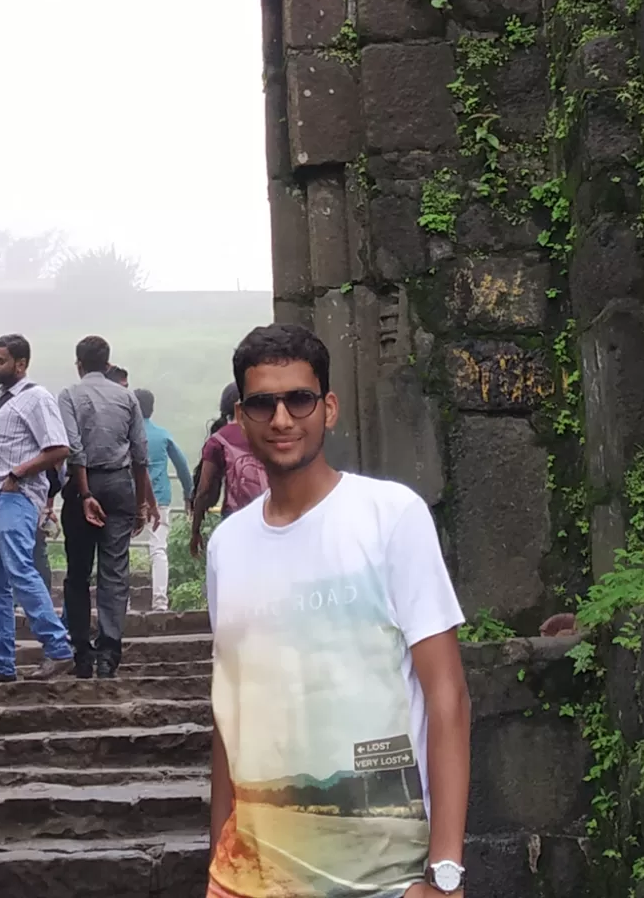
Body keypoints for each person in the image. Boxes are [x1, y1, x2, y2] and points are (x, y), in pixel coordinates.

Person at [205, 324, 471, 898]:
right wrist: (217, 859)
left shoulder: (389, 517)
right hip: (247, 877)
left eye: (298, 399)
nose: (281, 419)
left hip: (384, 876)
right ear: (241, 417)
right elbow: (230, 712)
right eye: (261, 403)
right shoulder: (227, 547)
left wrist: (445, 875)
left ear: (328, 409)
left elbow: (447, 695)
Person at [0, 334, 76, 686]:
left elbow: (58, 449)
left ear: (20, 364)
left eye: (1, 361)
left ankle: (58, 648)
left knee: (20, 569)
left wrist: (18, 473)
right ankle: (0, 663)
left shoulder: (36, 398)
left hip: (15, 494)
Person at [58, 335, 159, 678]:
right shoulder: (127, 397)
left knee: (78, 572)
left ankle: (82, 651)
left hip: (82, 486)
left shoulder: (69, 395)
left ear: (79, 364)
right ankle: (110, 650)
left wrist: (85, 494)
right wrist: (142, 502)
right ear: (109, 364)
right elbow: (140, 453)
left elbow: (74, 448)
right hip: (119, 486)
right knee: (114, 571)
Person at [190, 381, 268, 556]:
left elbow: (203, 490)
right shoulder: (270, 433)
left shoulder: (218, 440)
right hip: (271, 520)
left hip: (234, 520)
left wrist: (195, 531)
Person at [135, 387, 194, 613]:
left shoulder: (128, 435)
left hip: (131, 498)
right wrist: (189, 494)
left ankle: (120, 602)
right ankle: (160, 602)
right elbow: (181, 466)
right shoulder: (162, 435)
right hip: (160, 499)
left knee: (117, 548)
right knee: (158, 549)